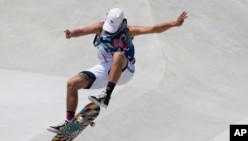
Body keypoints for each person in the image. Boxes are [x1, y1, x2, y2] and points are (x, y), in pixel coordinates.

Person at [48, 8, 187, 133]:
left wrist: (173, 23)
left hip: (125, 70)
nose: (109, 31)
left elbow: (153, 28)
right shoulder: (100, 27)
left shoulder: (129, 31)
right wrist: (71, 33)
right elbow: (83, 31)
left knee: (118, 55)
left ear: (121, 23)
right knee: (72, 83)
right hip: (105, 68)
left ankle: (106, 95)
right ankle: (69, 123)